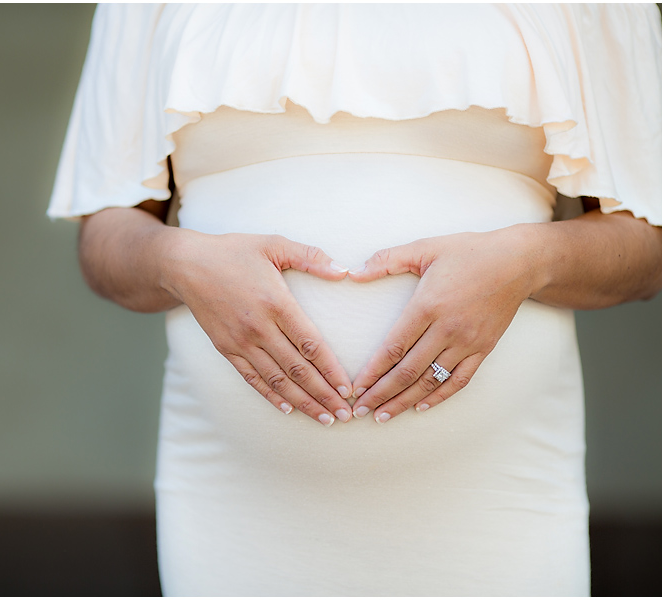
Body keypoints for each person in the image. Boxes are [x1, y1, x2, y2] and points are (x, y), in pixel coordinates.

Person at [47, 4, 662, 596]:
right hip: (239, 503)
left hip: (495, 495)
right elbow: (106, 237)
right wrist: (176, 260)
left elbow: (649, 246)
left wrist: (531, 260)